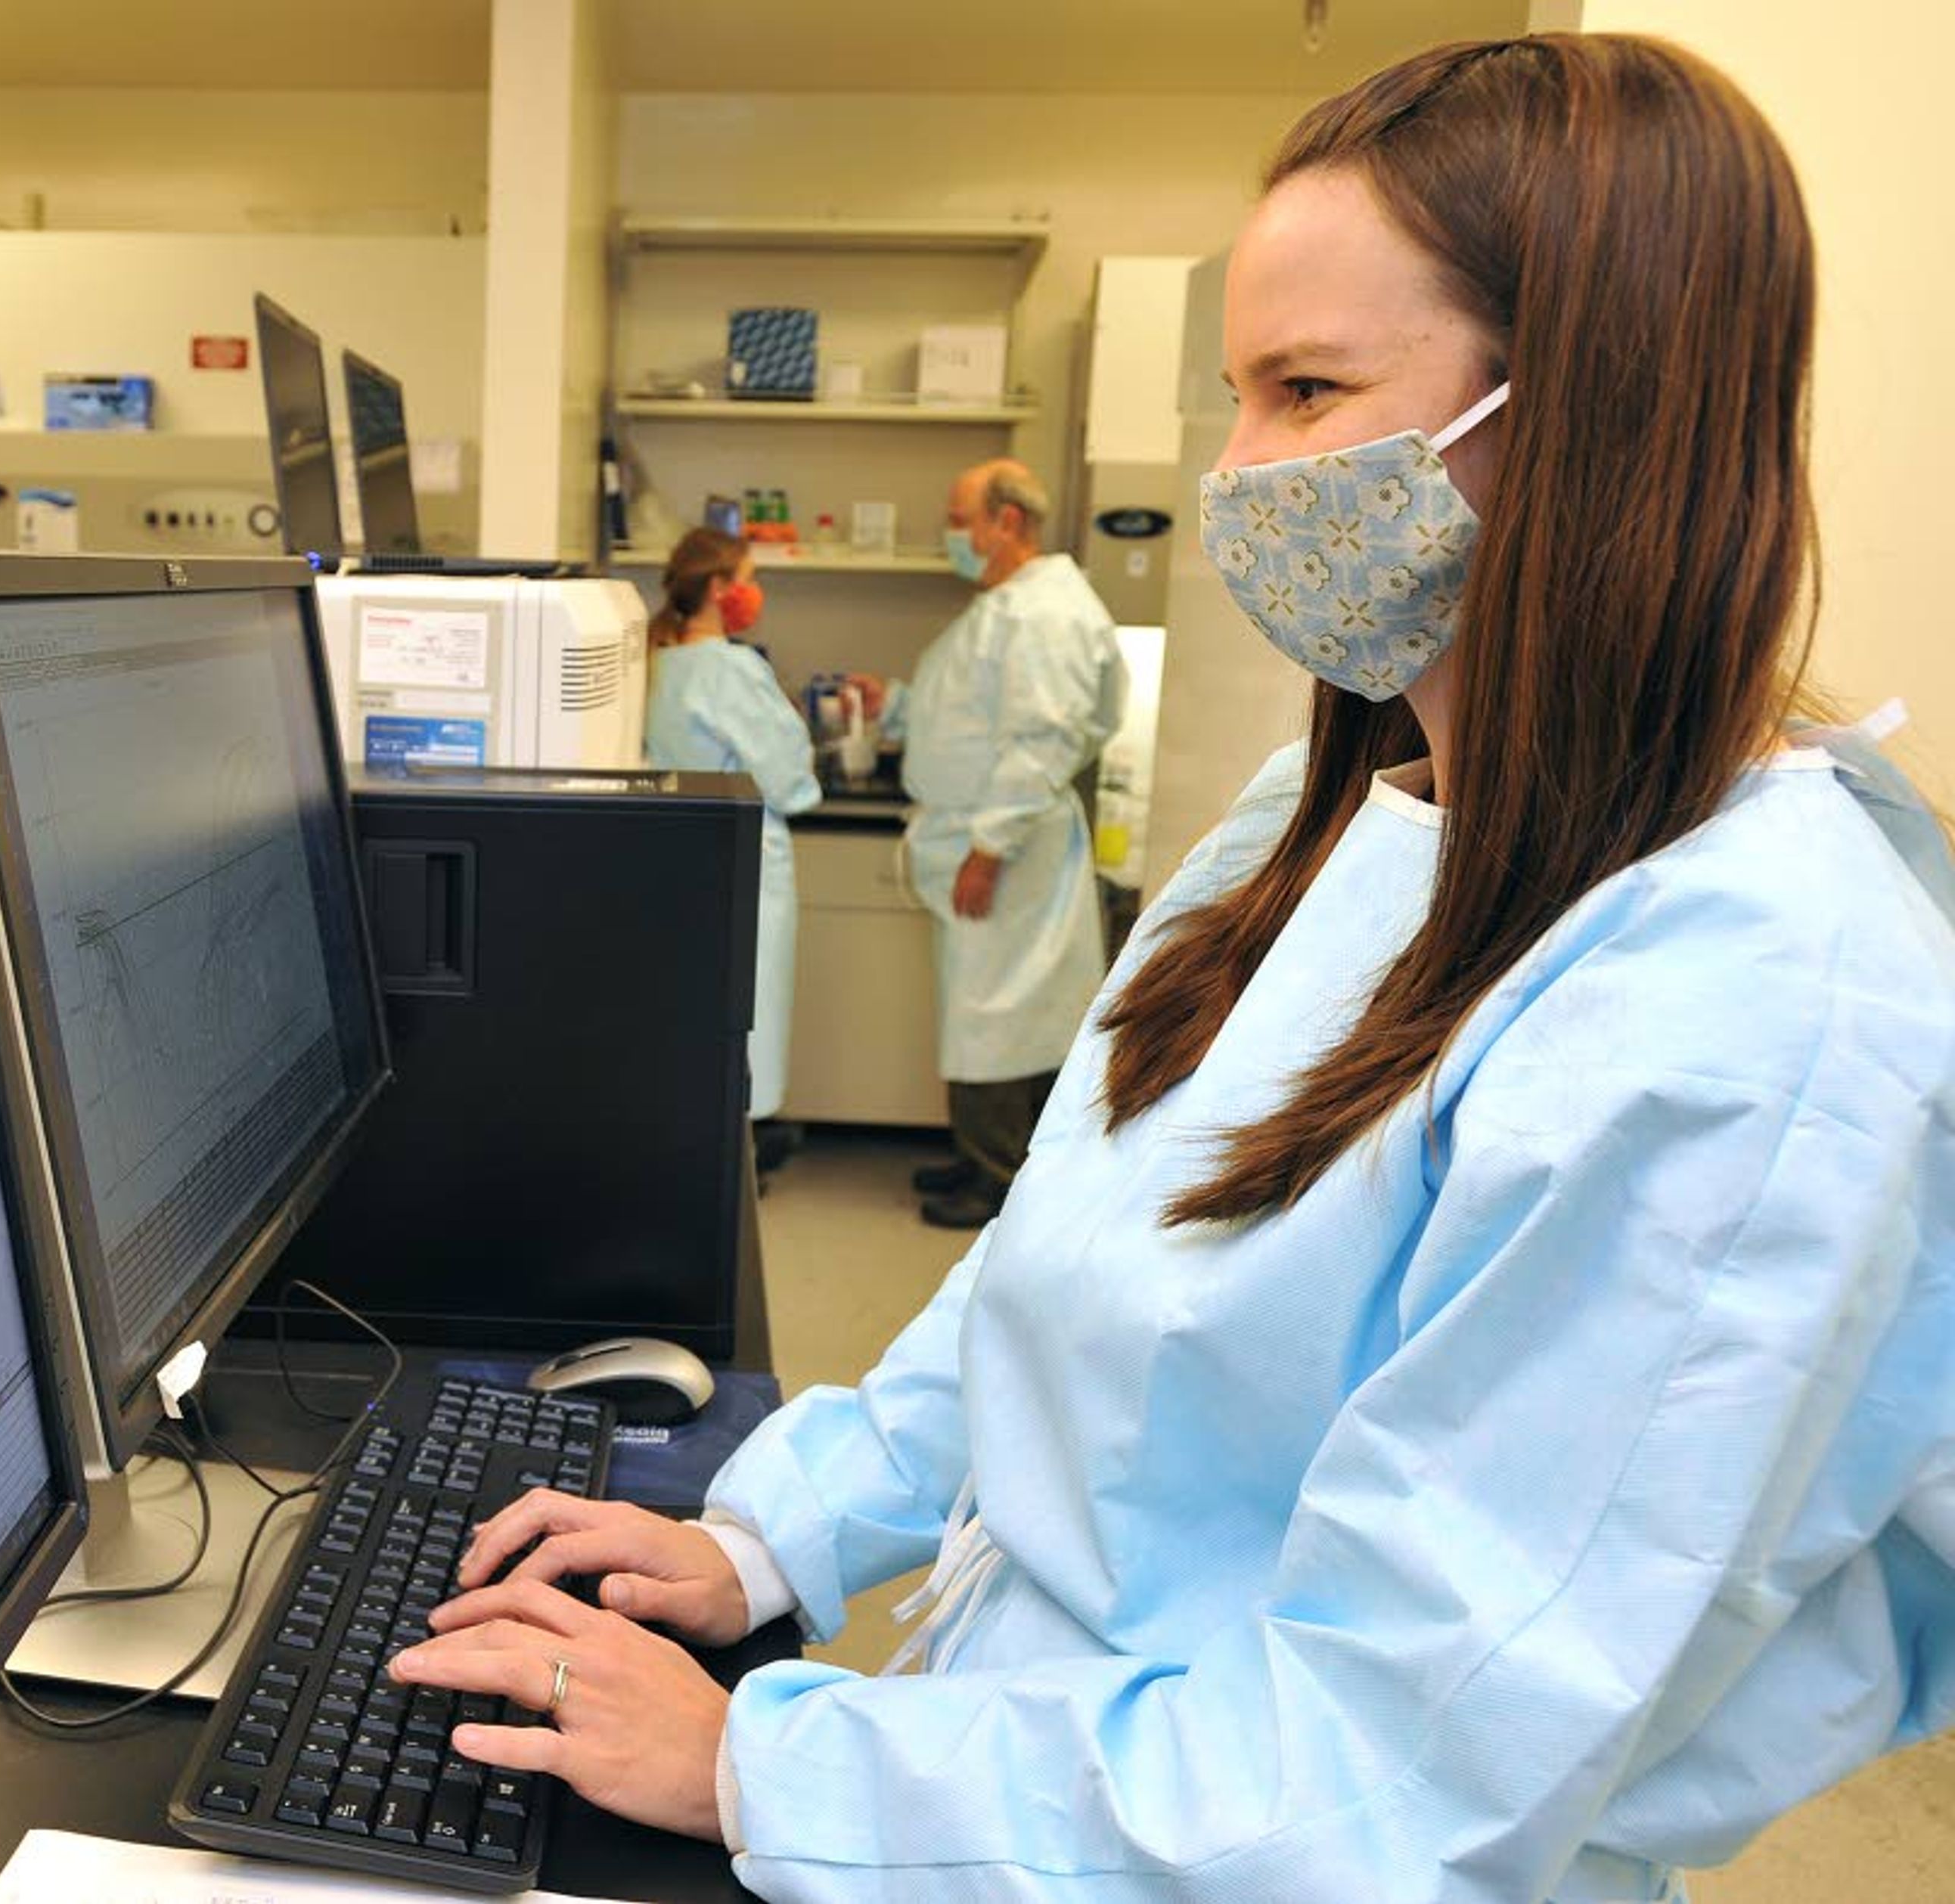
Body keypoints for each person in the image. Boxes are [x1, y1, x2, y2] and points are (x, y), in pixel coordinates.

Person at [389, 33, 1955, 1902]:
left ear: (1599, 408)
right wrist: (767, 1532)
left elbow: (1386, 1791)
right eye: (1238, 393)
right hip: (1022, 1779)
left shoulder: (1742, 994)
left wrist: (764, 1754)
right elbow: (1068, 1277)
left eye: (1307, 389)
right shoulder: (1335, 817)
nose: (1237, 478)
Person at [862, 459, 1127, 1230]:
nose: (951, 534)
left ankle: (998, 1175)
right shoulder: (1010, 606)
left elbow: (1042, 737)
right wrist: (902, 706)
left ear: (1005, 522)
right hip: (985, 831)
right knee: (986, 1008)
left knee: (998, 1011)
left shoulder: (1043, 615)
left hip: (1007, 842)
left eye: (958, 516)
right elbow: (976, 714)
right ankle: (981, 1154)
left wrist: (990, 845)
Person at [642, 529, 820, 1154]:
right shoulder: (731, 669)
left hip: (674, 859)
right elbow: (789, 778)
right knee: (748, 1019)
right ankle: (733, 1156)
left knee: (685, 1021)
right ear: (720, 588)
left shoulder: (655, 660)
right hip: (744, 860)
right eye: (748, 576)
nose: (754, 592)